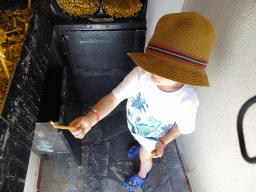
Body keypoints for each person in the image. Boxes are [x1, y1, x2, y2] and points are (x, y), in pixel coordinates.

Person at [69, 11, 216, 191]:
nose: (152, 71)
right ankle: (139, 144)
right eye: (151, 61)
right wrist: (91, 118)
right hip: (137, 127)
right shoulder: (141, 74)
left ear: (185, 76)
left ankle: (142, 175)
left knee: (144, 159)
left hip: (151, 141)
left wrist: (162, 142)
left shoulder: (187, 101)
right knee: (139, 139)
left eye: (162, 69)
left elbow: (181, 127)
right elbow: (114, 98)